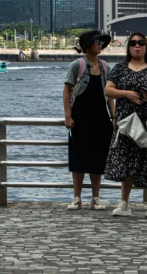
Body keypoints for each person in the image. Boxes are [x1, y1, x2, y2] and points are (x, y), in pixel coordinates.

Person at [105, 32, 147, 219]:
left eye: (141, 43)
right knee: (127, 161)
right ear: (128, 47)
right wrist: (126, 93)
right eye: (133, 43)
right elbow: (108, 90)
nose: (137, 46)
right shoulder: (119, 68)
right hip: (127, 123)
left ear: (146, 47)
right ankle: (124, 203)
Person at [63, 30, 114, 210]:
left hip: (101, 118)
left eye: (101, 42)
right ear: (87, 46)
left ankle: (95, 198)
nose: (100, 44)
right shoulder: (77, 65)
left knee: (98, 158)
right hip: (79, 117)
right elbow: (67, 90)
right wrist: (68, 116)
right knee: (78, 156)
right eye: (96, 42)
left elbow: (109, 96)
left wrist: (113, 117)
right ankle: (77, 197)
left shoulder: (106, 67)